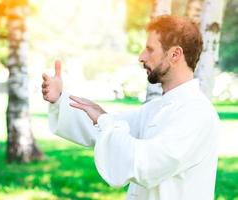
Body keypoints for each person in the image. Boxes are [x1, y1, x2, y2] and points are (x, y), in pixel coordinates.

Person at [41, 15, 220, 200]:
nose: (141, 56)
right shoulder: (156, 108)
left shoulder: (196, 113)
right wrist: (59, 99)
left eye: (150, 49)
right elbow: (104, 132)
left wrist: (104, 119)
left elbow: (147, 165)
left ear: (175, 54)